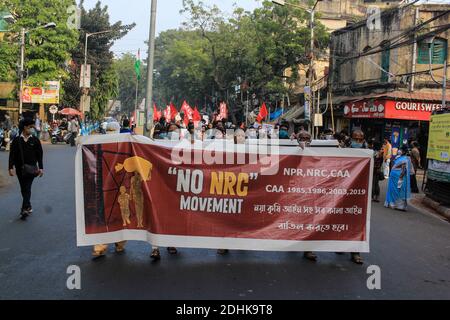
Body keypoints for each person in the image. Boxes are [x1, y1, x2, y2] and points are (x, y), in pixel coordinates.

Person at [8, 118, 44, 220]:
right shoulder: (17, 140)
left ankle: (24, 209)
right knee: (24, 188)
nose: (32, 129)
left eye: (33, 127)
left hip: (32, 169)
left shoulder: (35, 140)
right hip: (20, 169)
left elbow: (40, 155)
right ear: (25, 128)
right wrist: (10, 167)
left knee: (27, 188)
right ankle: (28, 205)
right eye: (30, 127)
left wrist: (41, 168)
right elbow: (12, 155)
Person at [385, 145, 412, 211]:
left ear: (404, 151)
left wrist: (401, 177)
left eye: (401, 150)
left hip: (399, 177)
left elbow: (403, 169)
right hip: (393, 177)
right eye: (399, 149)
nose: (399, 151)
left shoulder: (405, 159)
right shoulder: (399, 157)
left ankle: (398, 205)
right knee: (392, 189)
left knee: (399, 190)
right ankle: (391, 203)